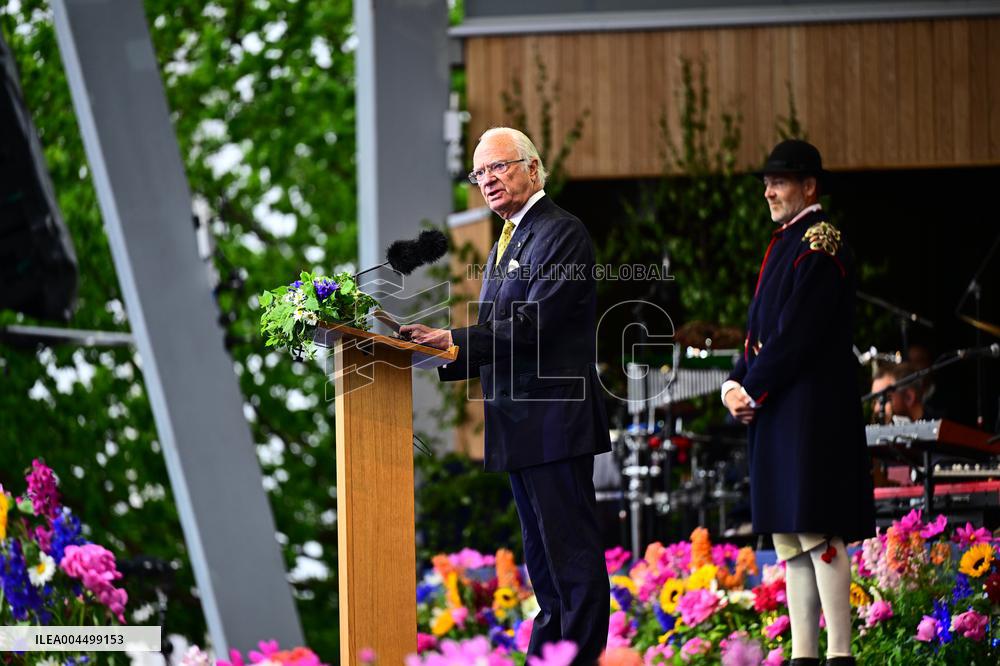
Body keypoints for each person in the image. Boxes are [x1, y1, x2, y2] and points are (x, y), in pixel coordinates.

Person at [401, 127, 611, 663]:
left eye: (498, 167)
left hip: (554, 424)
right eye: (479, 173)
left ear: (533, 169)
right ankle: (550, 656)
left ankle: (576, 657)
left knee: (571, 559)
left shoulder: (560, 232)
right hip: (522, 426)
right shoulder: (510, 239)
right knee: (544, 566)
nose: (487, 180)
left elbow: (534, 322)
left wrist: (455, 340)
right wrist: (448, 349)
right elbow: (503, 328)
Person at [720, 139, 875, 666]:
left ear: (810, 186)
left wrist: (751, 387)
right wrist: (732, 384)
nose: (768, 190)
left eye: (779, 181)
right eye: (767, 181)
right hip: (784, 409)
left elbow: (797, 336)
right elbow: (759, 335)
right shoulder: (789, 239)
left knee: (818, 529)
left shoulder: (820, 240)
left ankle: (839, 655)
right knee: (791, 540)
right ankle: (805, 655)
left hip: (812, 413)